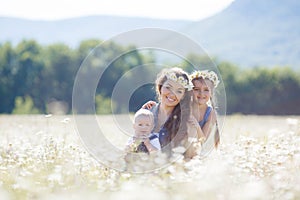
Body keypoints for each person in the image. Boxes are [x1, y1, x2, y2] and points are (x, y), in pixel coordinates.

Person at [143, 67, 203, 159]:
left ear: (183, 96)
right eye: (168, 87)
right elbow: (134, 144)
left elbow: (192, 155)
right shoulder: (148, 111)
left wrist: (197, 129)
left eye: (179, 91)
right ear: (160, 87)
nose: (172, 94)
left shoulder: (186, 120)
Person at [189, 70, 220, 148]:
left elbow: (202, 140)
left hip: (195, 147)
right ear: (190, 91)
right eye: (196, 89)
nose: (201, 93)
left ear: (211, 93)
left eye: (206, 90)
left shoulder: (211, 114)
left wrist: (196, 125)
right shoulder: (183, 108)